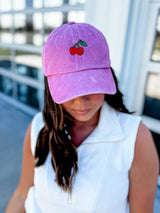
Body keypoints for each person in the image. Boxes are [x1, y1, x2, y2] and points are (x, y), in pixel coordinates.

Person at [6, 22, 159, 213]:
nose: (81, 101)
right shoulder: (38, 127)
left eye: (90, 85)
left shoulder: (134, 137)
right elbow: (23, 193)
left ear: (107, 76)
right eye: (70, 88)